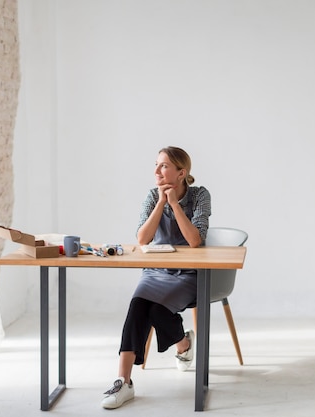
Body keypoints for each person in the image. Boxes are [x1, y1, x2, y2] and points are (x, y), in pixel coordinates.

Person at [101, 146, 211, 409]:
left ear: (181, 172)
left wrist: (174, 203)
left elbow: (195, 241)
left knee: (157, 313)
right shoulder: (152, 196)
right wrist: (161, 202)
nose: (156, 171)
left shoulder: (199, 196)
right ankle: (123, 381)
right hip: (155, 272)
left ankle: (184, 345)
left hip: (188, 275)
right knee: (139, 307)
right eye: (156, 165)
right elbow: (142, 239)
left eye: (163, 166)